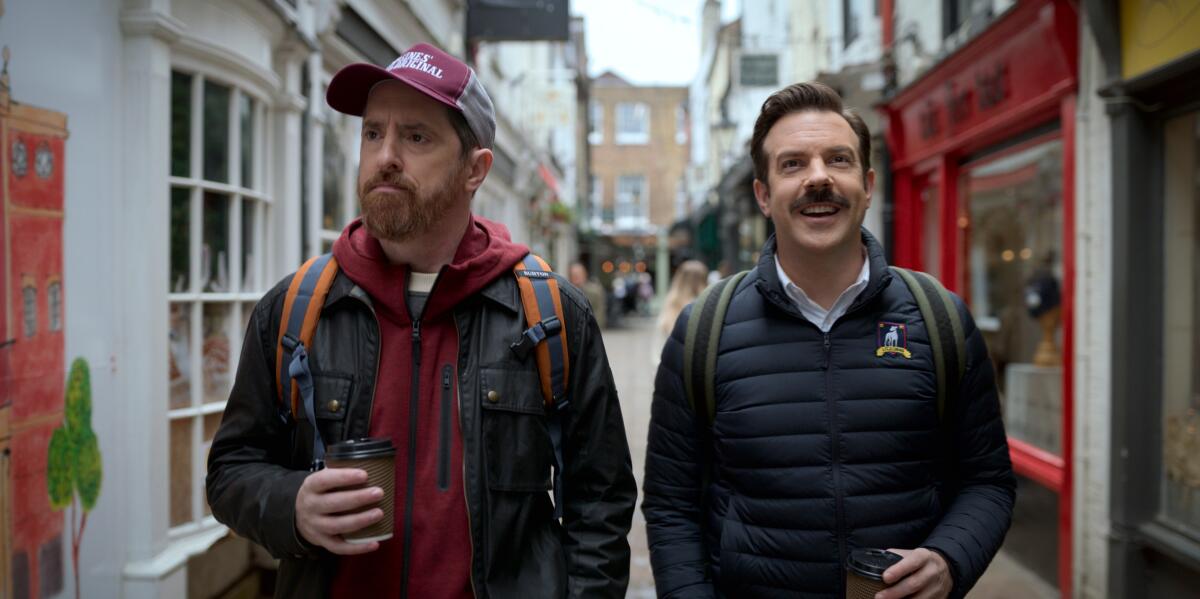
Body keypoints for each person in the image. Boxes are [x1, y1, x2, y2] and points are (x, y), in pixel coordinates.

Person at [206, 43, 636, 599]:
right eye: (372, 133)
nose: (385, 155)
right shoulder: (297, 308)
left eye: (416, 137)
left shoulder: (551, 316)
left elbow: (601, 503)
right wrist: (292, 507)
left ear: (474, 170)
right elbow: (231, 470)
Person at [642, 82, 1015, 598]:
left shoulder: (939, 319)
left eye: (837, 160)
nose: (818, 178)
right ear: (764, 196)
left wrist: (951, 559)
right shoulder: (704, 330)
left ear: (866, 185)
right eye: (792, 164)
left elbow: (988, 482)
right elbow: (670, 505)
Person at [569, 261, 608, 329]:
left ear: (585, 274)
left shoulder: (595, 291)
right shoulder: (566, 291)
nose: (576, 278)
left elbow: (600, 312)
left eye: (578, 274)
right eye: (574, 275)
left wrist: (594, 329)